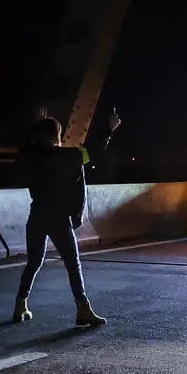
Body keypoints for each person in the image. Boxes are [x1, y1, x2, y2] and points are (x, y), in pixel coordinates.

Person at [12, 109, 121, 325]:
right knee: (72, 263)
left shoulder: (30, 156)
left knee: (34, 262)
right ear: (56, 136)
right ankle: (82, 309)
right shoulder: (66, 157)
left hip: (37, 214)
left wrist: (37, 125)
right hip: (58, 217)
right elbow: (93, 150)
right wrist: (108, 130)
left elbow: (25, 148)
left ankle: (20, 304)